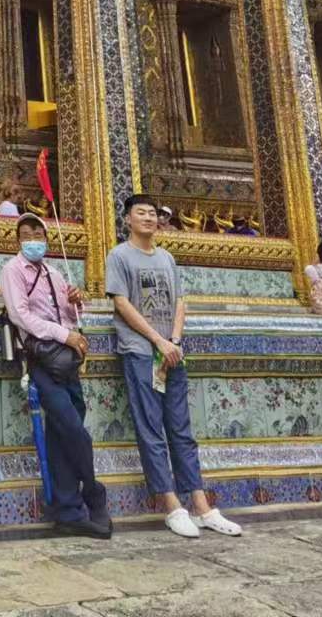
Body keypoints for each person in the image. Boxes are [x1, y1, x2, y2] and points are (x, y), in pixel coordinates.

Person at [107, 194, 243, 539]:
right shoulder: (119, 256)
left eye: (153, 213)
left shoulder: (166, 257)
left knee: (181, 430)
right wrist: (158, 340)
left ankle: (201, 506)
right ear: (127, 219)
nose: (148, 218)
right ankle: (171, 506)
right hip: (141, 351)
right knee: (151, 429)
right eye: (141, 213)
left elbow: (180, 301)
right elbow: (121, 303)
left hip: (173, 353)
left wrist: (175, 341)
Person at [1, 213, 110, 537]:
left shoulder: (55, 273)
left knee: (62, 435)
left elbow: (69, 317)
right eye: (26, 235)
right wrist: (65, 336)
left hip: (67, 361)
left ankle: (68, 511)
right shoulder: (12, 271)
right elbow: (20, 316)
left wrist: (76, 303)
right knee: (75, 430)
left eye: (38, 234)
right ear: (18, 240)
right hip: (41, 361)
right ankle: (94, 493)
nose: (33, 240)